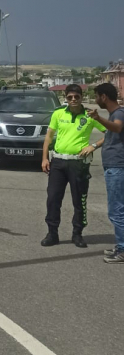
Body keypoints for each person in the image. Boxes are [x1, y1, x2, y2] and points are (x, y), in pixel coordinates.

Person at [41, 83, 106, 248]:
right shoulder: (58, 114)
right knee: (53, 199)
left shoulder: (91, 116)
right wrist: (44, 159)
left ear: (82, 97)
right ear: (65, 98)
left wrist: (94, 146)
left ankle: (77, 234)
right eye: (70, 97)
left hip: (78, 164)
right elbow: (48, 137)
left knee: (79, 200)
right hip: (58, 162)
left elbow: (111, 133)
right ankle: (52, 233)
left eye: (77, 97)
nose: (73, 100)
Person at [88, 83, 124, 262]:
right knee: (118, 209)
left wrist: (98, 119)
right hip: (114, 168)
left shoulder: (118, 114)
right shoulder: (115, 113)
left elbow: (117, 127)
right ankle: (120, 246)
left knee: (117, 210)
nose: (96, 100)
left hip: (118, 168)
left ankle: (123, 250)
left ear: (103, 97)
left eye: (96, 96)